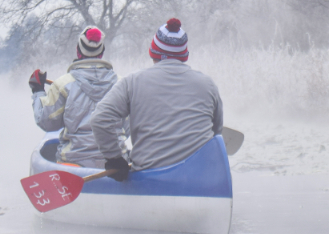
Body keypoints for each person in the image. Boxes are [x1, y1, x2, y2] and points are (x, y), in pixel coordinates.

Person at [91, 18, 223, 181]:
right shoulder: (208, 85)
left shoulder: (132, 82)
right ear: (184, 55)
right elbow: (217, 131)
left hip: (150, 180)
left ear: (153, 52)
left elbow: (100, 119)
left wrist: (115, 160)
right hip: (197, 181)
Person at [29, 26, 119, 168]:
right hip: (115, 164)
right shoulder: (121, 85)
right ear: (102, 53)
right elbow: (127, 126)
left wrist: (38, 91)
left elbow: (46, 122)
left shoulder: (63, 84)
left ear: (78, 51)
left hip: (74, 163)